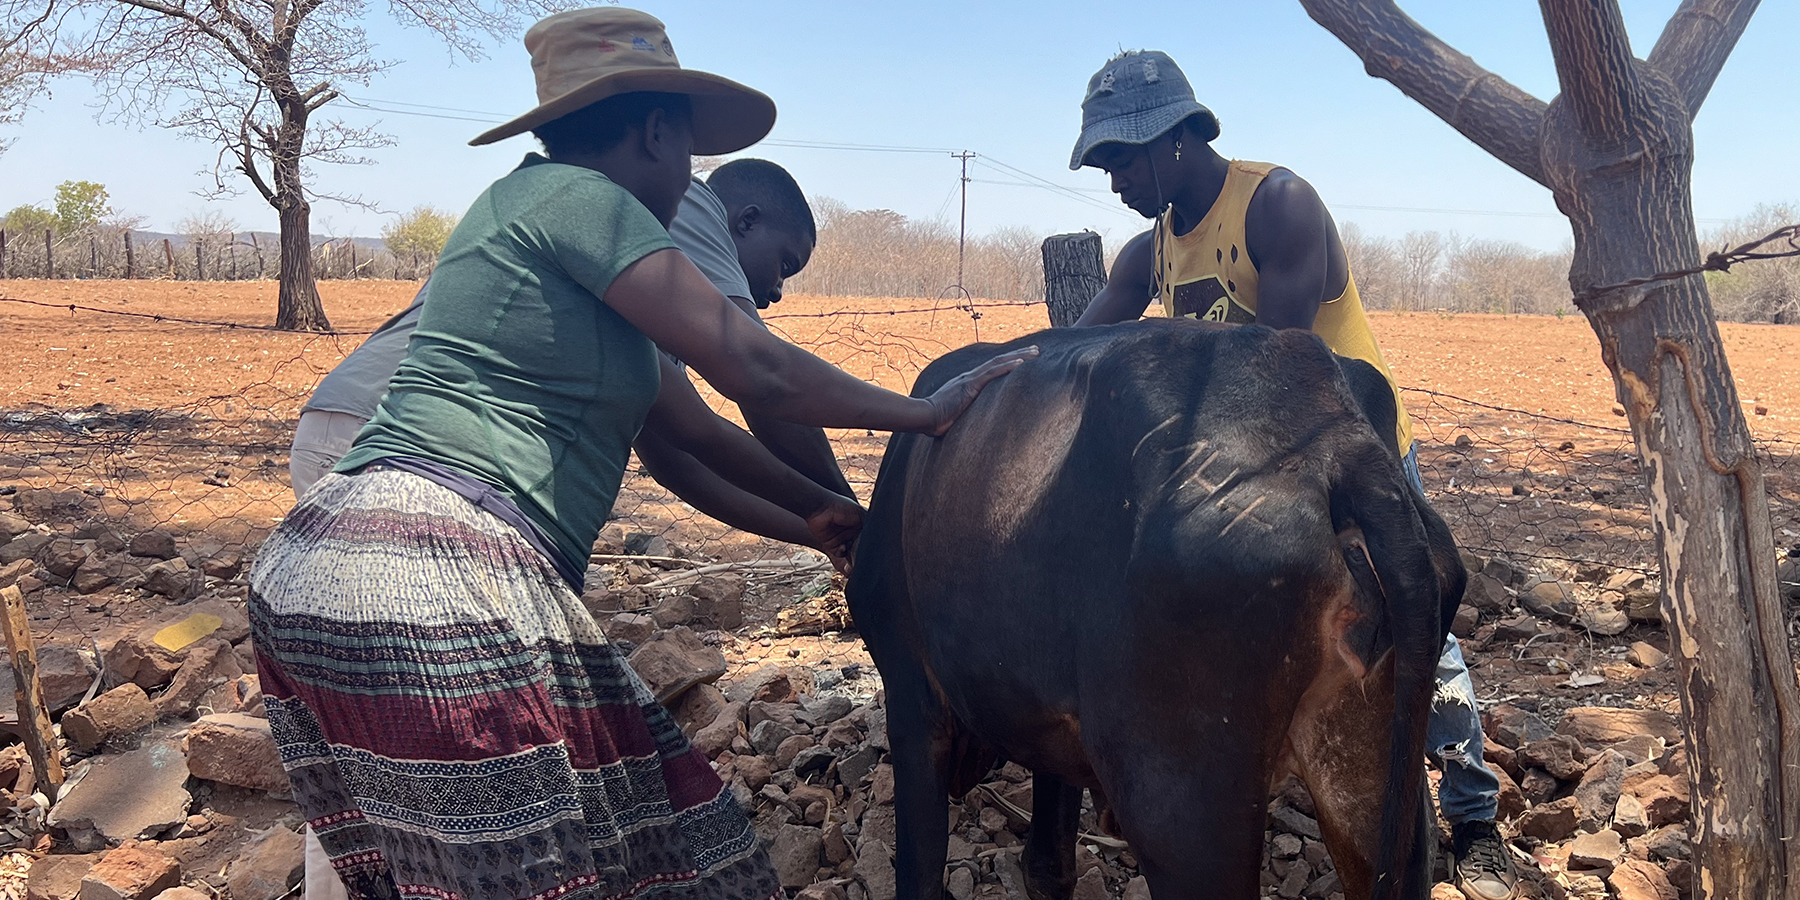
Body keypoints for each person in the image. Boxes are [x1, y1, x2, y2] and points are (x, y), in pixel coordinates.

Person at [249, 10, 1034, 900]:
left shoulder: (552, 246)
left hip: (320, 563)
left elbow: (691, 438)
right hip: (432, 569)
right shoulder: (585, 202)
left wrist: (820, 515)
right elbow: (758, 368)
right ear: (659, 131)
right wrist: (924, 414)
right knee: (549, 871)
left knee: (580, 854)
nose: (687, 180)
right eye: (688, 152)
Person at [286, 158, 848, 900]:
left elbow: (679, 454)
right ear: (740, 221)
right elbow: (760, 380)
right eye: (782, 263)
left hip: (367, 441)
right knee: (466, 749)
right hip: (421, 471)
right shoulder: (673, 212)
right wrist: (855, 517)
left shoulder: (618, 264)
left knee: (388, 735)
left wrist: (823, 532)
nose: (776, 291)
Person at [1068, 50, 1518, 900]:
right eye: (1103, 163)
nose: (1113, 179)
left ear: (1172, 140)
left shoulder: (1276, 205)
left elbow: (1268, 371)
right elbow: (1076, 348)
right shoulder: (1150, 250)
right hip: (1252, 461)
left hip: (1354, 455)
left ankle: (1471, 811)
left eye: (1119, 158)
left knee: (1411, 627)